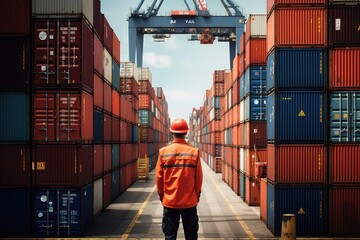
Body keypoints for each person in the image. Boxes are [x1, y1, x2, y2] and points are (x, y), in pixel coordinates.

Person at [156, 118, 203, 240]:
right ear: (186, 132)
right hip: (190, 202)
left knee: (170, 236)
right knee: (191, 236)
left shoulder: (163, 152)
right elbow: (199, 178)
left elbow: (159, 178)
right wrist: (196, 196)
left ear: (172, 132)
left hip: (170, 202)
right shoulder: (194, 152)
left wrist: (163, 196)